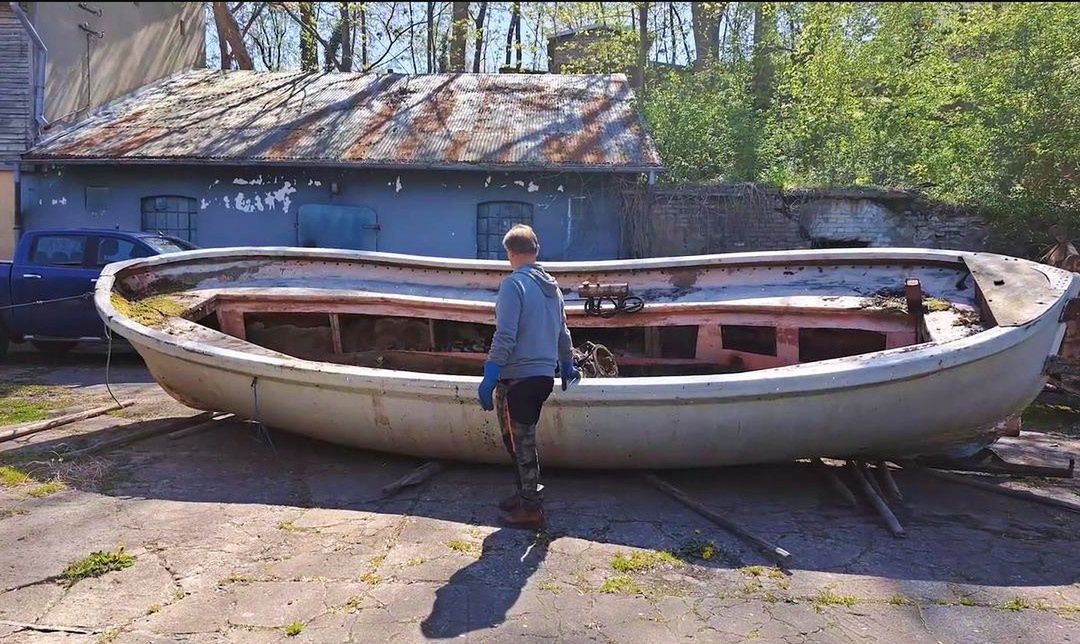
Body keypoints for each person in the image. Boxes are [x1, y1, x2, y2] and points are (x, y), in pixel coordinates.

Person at [478, 224, 579, 530]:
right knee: (523, 441)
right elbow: (563, 333)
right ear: (536, 251)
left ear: (509, 253)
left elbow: (505, 336)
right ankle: (524, 495)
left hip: (518, 380)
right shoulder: (552, 287)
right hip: (542, 378)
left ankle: (531, 509)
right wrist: (567, 364)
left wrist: (490, 373)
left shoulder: (513, 285)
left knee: (518, 444)